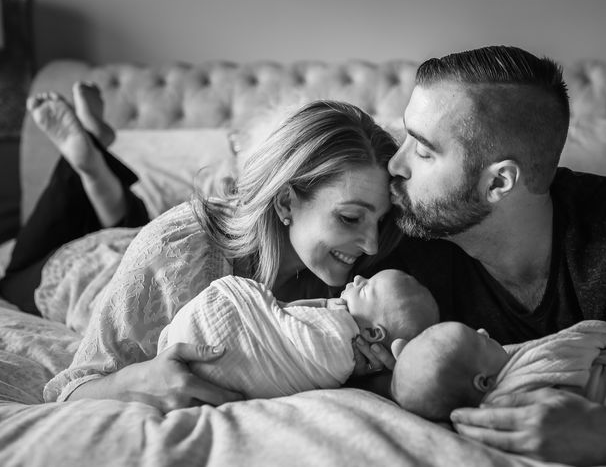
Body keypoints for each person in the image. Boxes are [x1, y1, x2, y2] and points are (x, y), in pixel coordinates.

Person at [363, 45, 606, 463]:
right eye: (404, 138)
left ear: (499, 182)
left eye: (424, 150)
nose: (394, 165)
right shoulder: (399, 231)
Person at [36, 94, 402, 412]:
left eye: (379, 221)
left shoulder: (361, 281)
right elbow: (69, 392)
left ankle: (96, 159)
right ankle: (87, 161)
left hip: (156, 238)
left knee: (126, 215)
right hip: (81, 271)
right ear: (286, 201)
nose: (371, 244)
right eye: (350, 217)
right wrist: (136, 380)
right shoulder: (180, 252)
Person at [158, 269, 438, 398]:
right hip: (186, 358)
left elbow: (290, 325)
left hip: (211, 348)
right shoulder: (335, 325)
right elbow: (282, 315)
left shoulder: (339, 333)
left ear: (375, 333)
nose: (357, 277)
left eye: (366, 288)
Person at [0, 84, 150, 313]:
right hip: (126, 246)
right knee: (133, 243)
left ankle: (92, 148)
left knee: (12, 283)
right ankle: (91, 155)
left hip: (103, 257)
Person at [391, 321, 606, 423]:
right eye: (478, 338)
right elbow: (578, 341)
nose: (485, 331)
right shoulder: (532, 368)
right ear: (483, 381)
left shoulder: (492, 411)